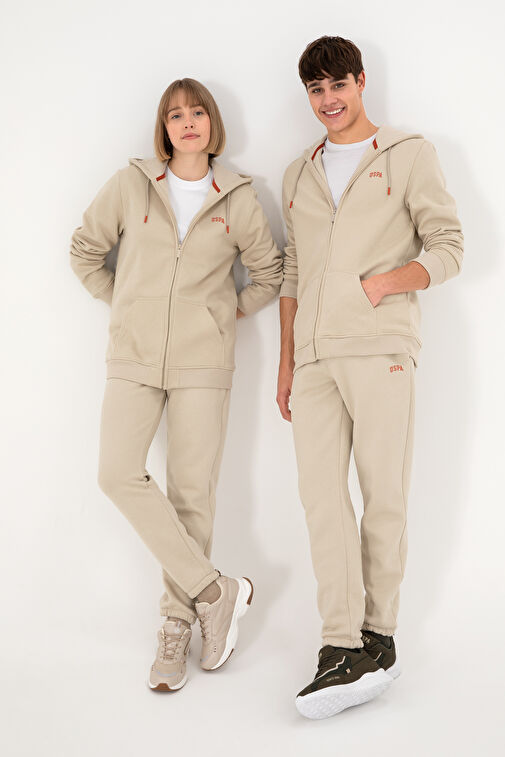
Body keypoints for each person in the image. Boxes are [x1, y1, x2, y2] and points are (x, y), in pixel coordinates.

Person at [70, 77, 283, 691]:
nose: (187, 123)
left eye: (197, 113)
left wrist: (222, 314)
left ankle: (175, 626)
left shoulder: (238, 197)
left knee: (192, 495)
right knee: (116, 473)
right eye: (175, 115)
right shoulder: (132, 184)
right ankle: (214, 591)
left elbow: (269, 273)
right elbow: (85, 251)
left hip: (203, 364)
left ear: (213, 123)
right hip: (133, 355)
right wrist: (127, 306)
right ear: (163, 129)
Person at [277, 36, 463, 719]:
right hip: (314, 358)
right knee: (321, 501)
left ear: (360, 82)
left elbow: (448, 247)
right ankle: (338, 644)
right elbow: (294, 269)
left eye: (338, 85)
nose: (328, 100)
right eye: (316, 90)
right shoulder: (298, 173)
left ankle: (378, 637)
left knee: (383, 492)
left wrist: (380, 285)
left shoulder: (407, 153)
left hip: (380, 344)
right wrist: (286, 359)